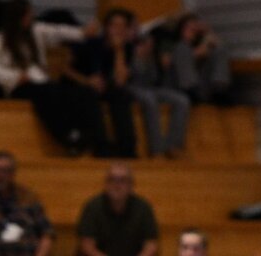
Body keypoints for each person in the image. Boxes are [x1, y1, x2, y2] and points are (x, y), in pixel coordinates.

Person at [0, 0, 105, 155]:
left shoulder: (36, 31)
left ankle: (94, 139)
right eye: (27, 15)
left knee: (82, 93)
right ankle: (66, 135)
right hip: (19, 86)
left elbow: (58, 32)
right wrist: (17, 77)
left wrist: (81, 33)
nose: (31, 18)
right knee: (47, 94)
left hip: (42, 82)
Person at [69, 9, 141, 159]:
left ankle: (127, 148)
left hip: (105, 85)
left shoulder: (127, 48)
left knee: (121, 95)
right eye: (114, 25)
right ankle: (101, 146)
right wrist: (87, 80)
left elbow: (120, 80)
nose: (118, 30)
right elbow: (64, 69)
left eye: (122, 26)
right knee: (89, 95)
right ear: (106, 27)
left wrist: (119, 51)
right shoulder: (92, 43)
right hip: (79, 82)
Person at [129, 24, 190, 158]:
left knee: (182, 100)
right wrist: (139, 58)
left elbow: (154, 78)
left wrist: (149, 59)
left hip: (150, 88)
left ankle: (173, 145)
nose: (150, 45)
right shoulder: (128, 49)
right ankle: (157, 149)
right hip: (132, 87)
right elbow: (131, 76)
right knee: (149, 100)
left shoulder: (153, 54)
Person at [75, 163, 159, 256]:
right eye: (112, 180)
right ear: (105, 184)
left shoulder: (143, 208)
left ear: (131, 185)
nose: (117, 185)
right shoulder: (92, 207)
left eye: (122, 180)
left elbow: (151, 244)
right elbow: (86, 246)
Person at [165, 12, 233, 105]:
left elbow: (217, 44)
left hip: (201, 86)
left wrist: (208, 31)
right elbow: (169, 62)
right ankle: (190, 90)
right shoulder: (175, 45)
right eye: (189, 27)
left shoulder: (200, 42)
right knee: (183, 48)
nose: (192, 30)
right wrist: (197, 53)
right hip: (180, 86)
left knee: (219, 50)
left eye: (194, 28)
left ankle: (220, 88)